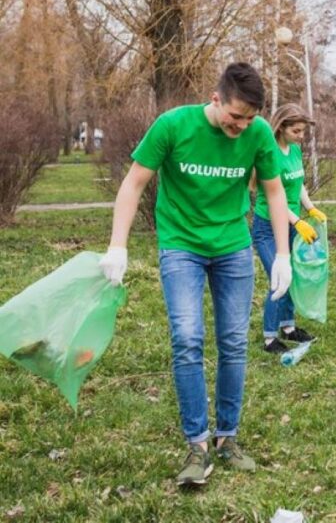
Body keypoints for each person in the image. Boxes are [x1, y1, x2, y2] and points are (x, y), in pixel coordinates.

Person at [97, 63, 293, 486]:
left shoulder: (257, 134)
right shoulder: (173, 126)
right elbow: (133, 184)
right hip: (181, 245)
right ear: (216, 98)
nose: (241, 126)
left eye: (250, 118)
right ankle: (197, 444)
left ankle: (227, 437)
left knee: (234, 341)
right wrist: (118, 245)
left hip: (232, 246)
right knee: (187, 338)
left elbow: (274, 192)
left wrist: (282, 254)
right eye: (235, 116)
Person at [250, 103, 325, 354]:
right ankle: (270, 338)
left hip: (293, 223)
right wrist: (297, 220)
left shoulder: (293, 150)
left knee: (292, 276)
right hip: (268, 226)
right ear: (281, 127)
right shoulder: (268, 153)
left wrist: (311, 208)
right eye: (296, 131)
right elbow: (277, 196)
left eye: (303, 131)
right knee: (277, 278)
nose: (301, 137)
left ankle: (288, 327)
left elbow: (299, 184)